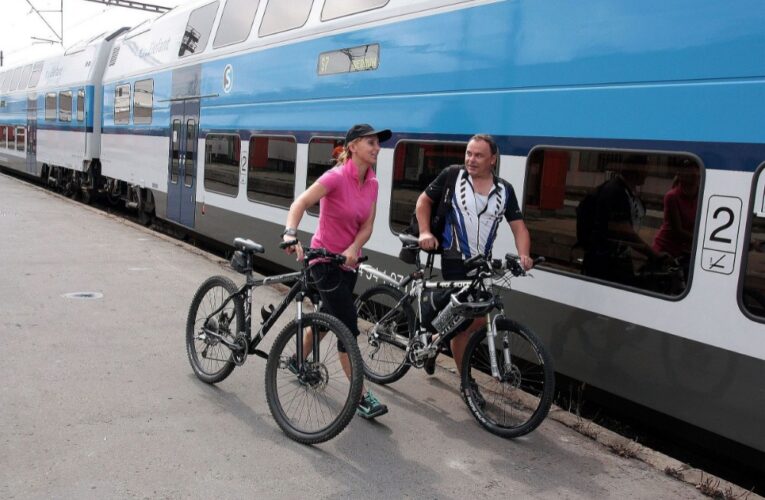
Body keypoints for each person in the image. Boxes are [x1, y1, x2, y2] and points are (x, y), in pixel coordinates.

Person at [282, 123, 391, 420]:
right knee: (346, 326)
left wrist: (354, 248)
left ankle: (296, 361)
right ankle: (360, 396)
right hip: (323, 262)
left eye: (377, 144)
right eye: (370, 143)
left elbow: (367, 225)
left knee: (325, 319)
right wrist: (291, 233)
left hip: (348, 263)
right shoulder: (335, 177)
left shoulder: (373, 183)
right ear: (353, 146)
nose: (376, 148)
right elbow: (300, 203)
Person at [415, 134, 533, 394]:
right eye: (468, 153)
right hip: (454, 261)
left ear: (493, 159)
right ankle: (466, 384)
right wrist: (425, 232)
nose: (471, 159)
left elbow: (519, 227)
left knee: (474, 321)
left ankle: (435, 342)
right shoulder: (452, 176)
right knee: (464, 327)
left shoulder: (504, 191)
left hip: (482, 265)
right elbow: (423, 201)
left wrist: (524, 255)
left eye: (478, 155)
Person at [581, 155, 668, 286]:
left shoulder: (628, 191)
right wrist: (652, 254)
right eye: (646, 169)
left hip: (619, 260)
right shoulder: (615, 191)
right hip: (606, 264)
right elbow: (625, 232)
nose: (647, 173)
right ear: (637, 169)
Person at [652, 163, 699, 259]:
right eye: (691, 175)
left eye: (695, 175)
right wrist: (702, 241)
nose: (695, 178)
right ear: (680, 176)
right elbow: (678, 231)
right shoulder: (672, 196)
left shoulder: (701, 196)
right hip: (666, 249)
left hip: (683, 250)